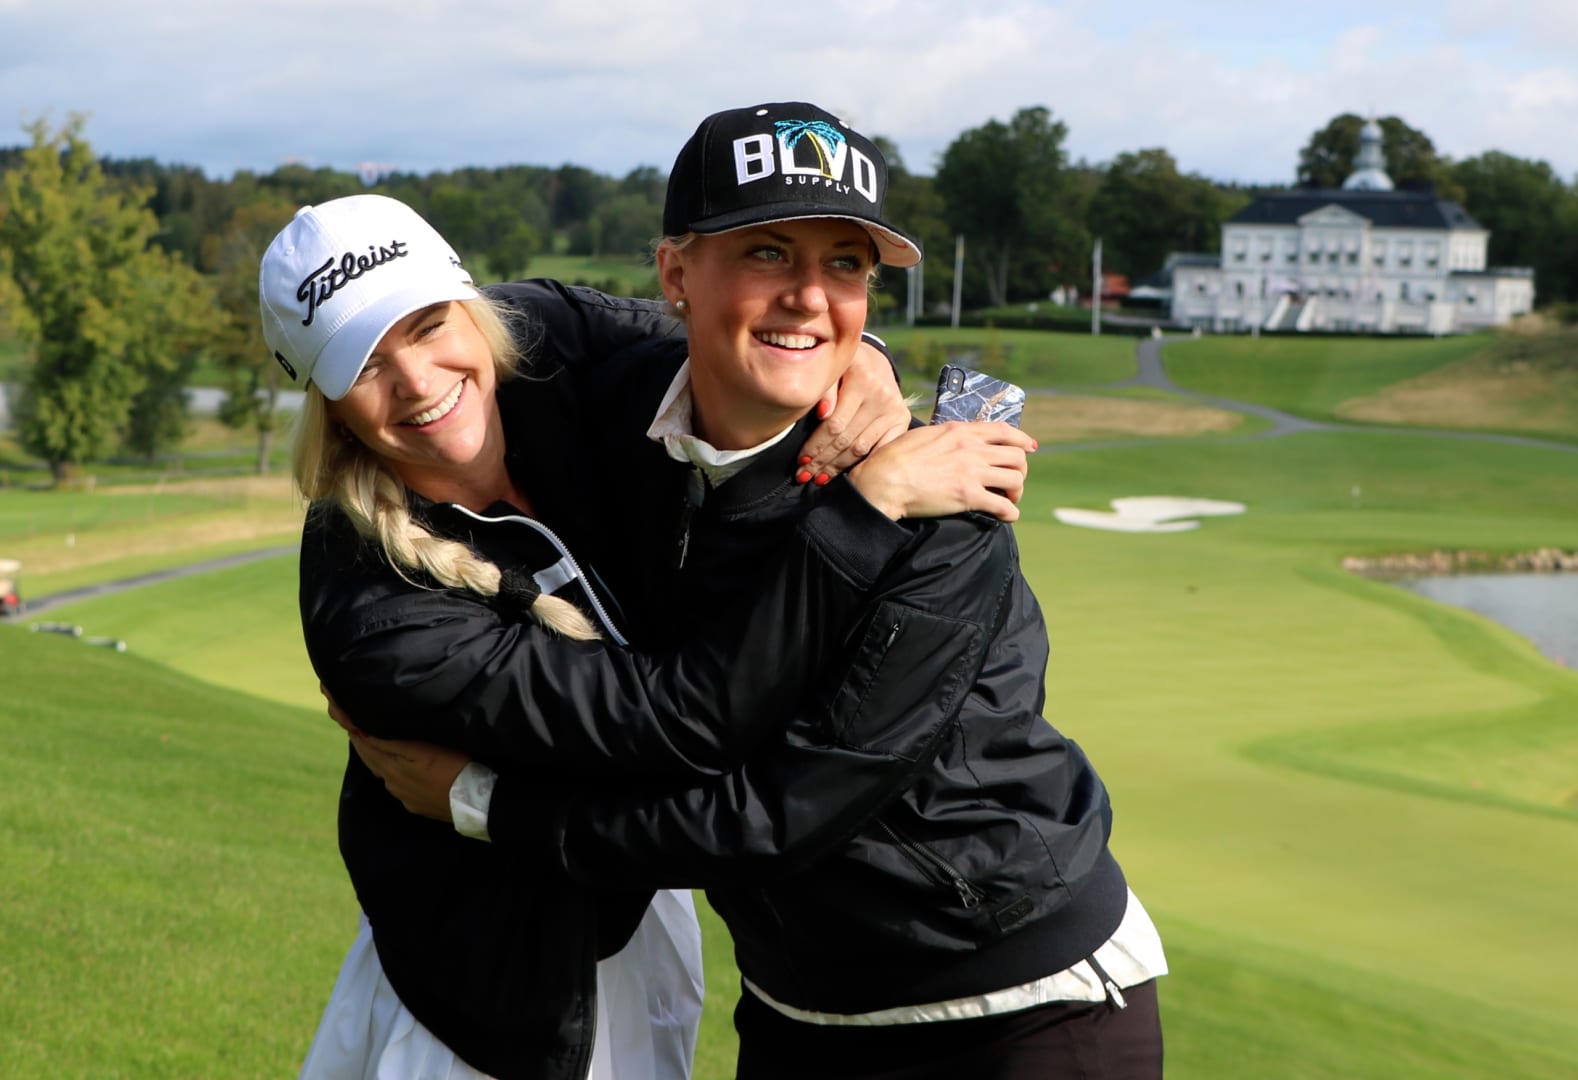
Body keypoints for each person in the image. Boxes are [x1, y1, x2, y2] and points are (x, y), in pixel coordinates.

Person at [352, 101, 1167, 1079]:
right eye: (769, 253)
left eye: (846, 267)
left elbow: (771, 819)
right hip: (796, 1007)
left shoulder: (940, 516)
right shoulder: (624, 422)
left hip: (1018, 1008)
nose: (811, 298)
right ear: (676, 274)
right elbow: (445, 351)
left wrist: (485, 803)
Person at [263, 192, 1034, 1080]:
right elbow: (683, 721)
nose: (418, 380)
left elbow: (713, 325)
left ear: (475, 308)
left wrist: (859, 355)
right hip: (488, 995)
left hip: (633, 927)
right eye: (364, 364)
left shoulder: (548, 335)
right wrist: (868, 508)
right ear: (326, 400)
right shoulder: (372, 614)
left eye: (430, 325)